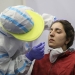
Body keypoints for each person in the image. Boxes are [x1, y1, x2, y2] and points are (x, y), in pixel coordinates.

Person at [0, 5, 46, 75]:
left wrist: (51, 22)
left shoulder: (18, 13)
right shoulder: (2, 45)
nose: (52, 34)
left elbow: (33, 19)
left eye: (58, 31)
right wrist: (29, 57)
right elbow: (7, 71)